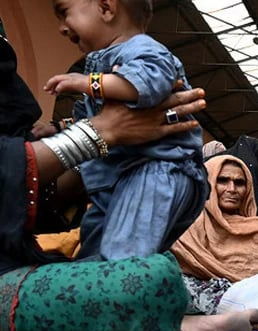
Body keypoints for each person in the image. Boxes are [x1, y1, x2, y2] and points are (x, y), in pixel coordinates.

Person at [0, 34, 258, 331]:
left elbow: (31, 191)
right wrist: (98, 134)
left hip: (15, 261)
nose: (65, 27)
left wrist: (133, 142)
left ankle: (164, 324)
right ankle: (171, 327)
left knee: (152, 269)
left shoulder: (142, 53)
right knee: (142, 278)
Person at [43, 0, 207, 260]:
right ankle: (92, 292)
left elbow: (144, 84)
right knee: (92, 252)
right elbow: (95, 118)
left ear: (106, 8)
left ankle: (115, 295)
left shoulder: (142, 48)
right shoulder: (106, 60)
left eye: (64, 13)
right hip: (115, 178)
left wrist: (88, 82)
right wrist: (57, 127)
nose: (62, 28)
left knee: (121, 257)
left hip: (155, 168)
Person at [170, 155, 258, 315]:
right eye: (222, 180)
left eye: (239, 183)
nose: (232, 189)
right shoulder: (184, 225)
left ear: (248, 189)